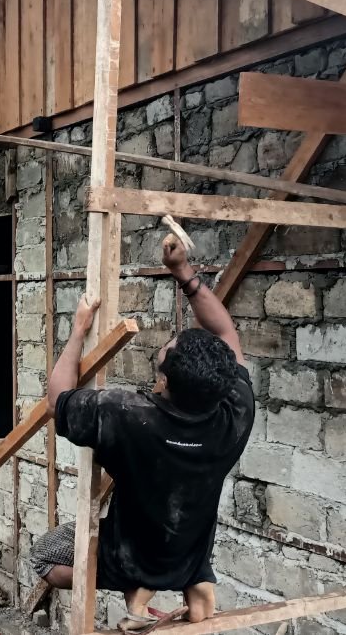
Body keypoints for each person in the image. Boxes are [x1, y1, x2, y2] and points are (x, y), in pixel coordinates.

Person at [30, 235, 255, 630]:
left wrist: (79, 330)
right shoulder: (235, 412)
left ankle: (130, 587)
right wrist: (182, 271)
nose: (166, 345)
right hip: (189, 552)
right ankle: (190, 587)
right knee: (183, 553)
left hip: (127, 554)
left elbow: (57, 400)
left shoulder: (127, 416)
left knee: (44, 556)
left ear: (163, 381)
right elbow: (226, 332)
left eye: (166, 350)